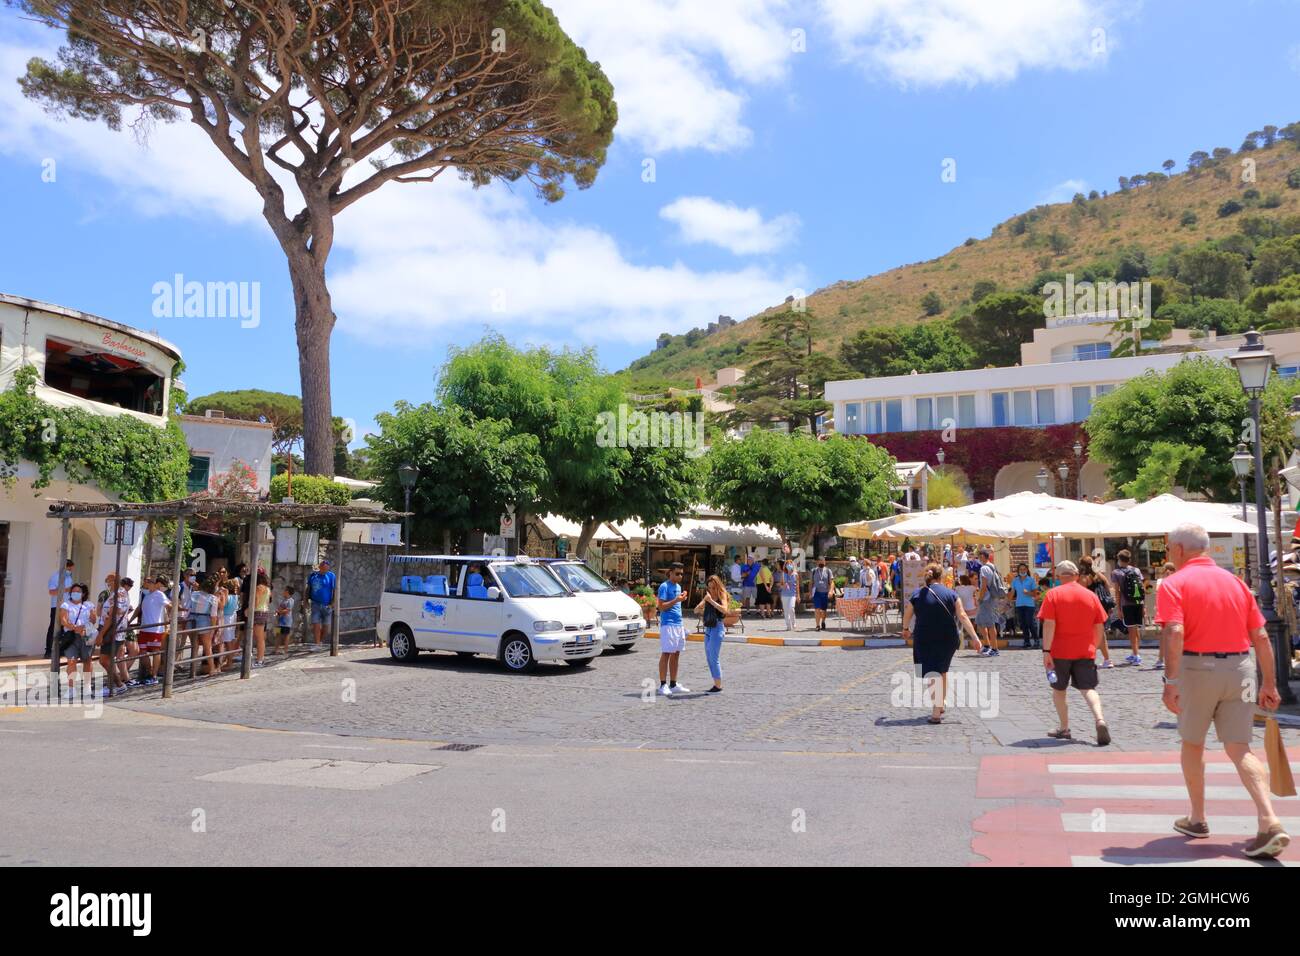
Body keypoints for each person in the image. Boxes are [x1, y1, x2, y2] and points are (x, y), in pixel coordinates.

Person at [1158, 523, 1290, 859]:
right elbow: (1260, 636)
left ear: (1178, 550)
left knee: (1192, 741)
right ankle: (1268, 818)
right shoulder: (1236, 583)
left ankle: (1198, 818)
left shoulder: (1174, 583)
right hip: (1242, 668)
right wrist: (1270, 683)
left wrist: (1171, 682)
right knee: (1240, 746)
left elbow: (1174, 630)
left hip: (1196, 669)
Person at [1038, 561, 1111, 745]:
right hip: (1084, 650)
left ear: (1058, 576)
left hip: (1059, 651)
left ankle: (1064, 728)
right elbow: (1099, 626)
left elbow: (1049, 624)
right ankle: (1100, 719)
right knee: (1088, 689)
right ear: (1077, 575)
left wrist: (1046, 650)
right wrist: (1093, 647)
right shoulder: (1090, 596)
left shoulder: (1053, 595)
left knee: (1059, 689)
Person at [902, 563, 979, 724]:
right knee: (942, 670)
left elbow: (908, 613)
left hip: (925, 637)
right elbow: (963, 616)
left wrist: (905, 629)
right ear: (941, 577)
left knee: (931, 672)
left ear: (926, 577)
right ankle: (941, 703)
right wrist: (975, 637)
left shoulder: (917, 594)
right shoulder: (951, 594)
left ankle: (936, 711)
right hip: (948, 638)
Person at [656, 563, 689, 696]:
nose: (680, 576)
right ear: (670, 573)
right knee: (666, 653)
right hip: (668, 624)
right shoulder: (664, 586)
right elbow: (661, 607)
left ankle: (673, 684)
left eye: (681, 573)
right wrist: (676, 599)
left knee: (676, 653)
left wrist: (681, 599)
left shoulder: (678, 586)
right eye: (677, 573)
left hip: (678, 624)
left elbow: (676, 604)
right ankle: (663, 684)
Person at [57, 582, 94, 700]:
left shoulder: (88, 605)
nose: (75, 593)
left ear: (83, 594)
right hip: (71, 636)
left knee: (87, 661)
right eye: (73, 591)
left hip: (86, 635)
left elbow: (93, 619)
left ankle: (87, 687)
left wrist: (84, 626)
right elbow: (63, 620)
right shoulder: (66, 605)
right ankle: (71, 689)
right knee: (71, 661)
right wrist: (74, 627)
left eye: (78, 591)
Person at [694, 574, 730, 693]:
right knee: (709, 658)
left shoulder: (721, 594)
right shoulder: (708, 596)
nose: (711, 590)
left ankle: (718, 685)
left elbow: (725, 610)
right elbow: (696, 610)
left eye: (713, 587)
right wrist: (704, 603)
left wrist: (712, 602)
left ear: (717, 586)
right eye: (709, 587)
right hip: (709, 628)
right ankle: (716, 684)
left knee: (714, 657)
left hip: (718, 627)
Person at [1110, 548, 1146, 665]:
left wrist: (1119, 609)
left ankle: (1136, 655)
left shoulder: (1116, 573)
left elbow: (1117, 592)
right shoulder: (1136, 570)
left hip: (1127, 604)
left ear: (1119, 559)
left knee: (1131, 629)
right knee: (1135, 628)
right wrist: (1144, 605)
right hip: (1138, 603)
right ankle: (1135, 652)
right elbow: (1142, 588)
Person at [1077, 556, 1115, 668]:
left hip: (1089, 608)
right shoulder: (1099, 575)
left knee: (1086, 633)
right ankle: (1107, 659)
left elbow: (1081, 594)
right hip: (1101, 608)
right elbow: (1108, 589)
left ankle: (1087, 658)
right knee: (1101, 633)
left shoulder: (1084, 578)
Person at [135, 575, 170, 685]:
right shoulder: (146, 595)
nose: (146, 582)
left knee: (156, 651)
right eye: (145, 581)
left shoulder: (160, 595)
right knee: (142, 652)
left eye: (148, 581)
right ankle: (150, 672)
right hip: (144, 628)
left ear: (154, 583)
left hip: (155, 629)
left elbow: (169, 605)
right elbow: (139, 608)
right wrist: (130, 619)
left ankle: (154, 675)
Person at [973, 548, 1004, 657]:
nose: (979, 558)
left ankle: (994, 648)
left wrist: (980, 598)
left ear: (983, 557)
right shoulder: (992, 566)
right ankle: (987, 645)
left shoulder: (984, 568)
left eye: (980, 556)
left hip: (986, 599)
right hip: (991, 598)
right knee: (980, 622)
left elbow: (984, 585)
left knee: (990, 624)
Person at [189, 576, 218, 676]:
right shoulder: (213, 598)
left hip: (191, 619)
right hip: (204, 619)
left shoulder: (194, 594)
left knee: (195, 646)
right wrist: (213, 628)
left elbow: (189, 607)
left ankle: (192, 670)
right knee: (207, 646)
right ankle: (212, 669)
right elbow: (213, 615)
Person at [45, 558, 75, 657]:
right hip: (57, 606)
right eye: (70, 569)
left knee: (64, 628)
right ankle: (48, 651)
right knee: (53, 627)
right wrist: (66, 590)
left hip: (67, 607)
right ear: (66, 567)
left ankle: (61, 650)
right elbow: (52, 592)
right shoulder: (55, 577)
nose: (71, 571)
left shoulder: (69, 578)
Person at [307, 558, 336, 648]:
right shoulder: (313, 575)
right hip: (315, 603)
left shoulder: (331, 576)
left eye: (326, 569)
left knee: (326, 628)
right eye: (323, 568)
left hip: (327, 605)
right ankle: (317, 644)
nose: (324, 570)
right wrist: (306, 600)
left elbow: (334, 590)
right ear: (320, 567)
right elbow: (308, 589)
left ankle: (320, 641)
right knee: (316, 624)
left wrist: (332, 603)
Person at [1153, 561, 1177, 669]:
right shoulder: (1161, 581)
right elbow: (1159, 591)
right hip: (1167, 611)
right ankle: (1161, 659)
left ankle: (1162, 659)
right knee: (1165, 636)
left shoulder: (1174, 581)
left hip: (1170, 611)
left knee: (1167, 636)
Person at [1010, 563, 1040, 649]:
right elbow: (1012, 592)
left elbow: (1035, 593)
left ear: (1027, 570)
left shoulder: (1031, 580)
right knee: (1023, 624)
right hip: (1019, 604)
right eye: (1021, 569)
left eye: (1024, 569)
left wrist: (1028, 593)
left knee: (1030, 622)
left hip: (1029, 605)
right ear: (1018, 571)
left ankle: (1036, 640)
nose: (1022, 571)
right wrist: (1007, 597)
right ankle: (1026, 641)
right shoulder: (1015, 580)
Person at [954, 573, 983, 653]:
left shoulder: (957, 588)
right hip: (972, 610)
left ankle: (964, 633)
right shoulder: (973, 588)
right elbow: (978, 593)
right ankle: (978, 632)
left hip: (962, 610)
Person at [252, 570, 272, 667]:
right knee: (261, 638)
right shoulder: (268, 589)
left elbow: (256, 601)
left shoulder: (258, 588)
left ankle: (259, 660)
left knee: (259, 638)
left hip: (258, 612)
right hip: (264, 611)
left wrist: (248, 609)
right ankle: (260, 659)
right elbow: (267, 602)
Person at [810, 557, 833, 631]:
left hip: (825, 593)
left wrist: (830, 591)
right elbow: (811, 583)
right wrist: (810, 592)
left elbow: (831, 582)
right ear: (817, 562)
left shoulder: (828, 571)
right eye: (820, 562)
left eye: (823, 562)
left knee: (823, 610)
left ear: (825, 562)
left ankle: (823, 621)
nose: (821, 563)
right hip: (816, 593)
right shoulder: (813, 571)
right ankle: (817, 625)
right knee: (817, 609)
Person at [276, 585, 296, 654]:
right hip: (280, 621)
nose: (283, 591)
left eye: (284, 590)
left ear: (287, 592)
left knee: (286, 635)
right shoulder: (283, 600)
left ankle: (285, 650)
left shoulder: (291, 601)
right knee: (278, 634)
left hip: (286, 622)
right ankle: (276, 649)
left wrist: (279, 611)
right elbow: (280, 608)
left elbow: (288, 610)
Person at [780, 559, 799, 631]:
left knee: (792, 609)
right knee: (786, 610)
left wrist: (798, 595)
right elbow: (780, 584)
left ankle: (793, 623)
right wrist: (783, 585)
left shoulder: (796, 575)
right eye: (787, 564)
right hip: (784, 594)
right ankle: (788, 625)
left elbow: (797, 586)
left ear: (793, 565)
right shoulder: (783, 574)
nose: (789, 565)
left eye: (790, 564)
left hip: (792, 594)